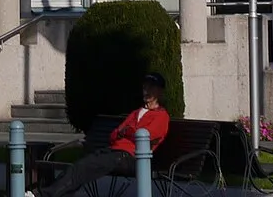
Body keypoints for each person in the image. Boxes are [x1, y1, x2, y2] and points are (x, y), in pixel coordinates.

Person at [37, 72, 172, 197]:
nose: (146, 90)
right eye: (145, 86)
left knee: (86, 166)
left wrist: (126, 131)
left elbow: (143, 135)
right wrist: (125, 131)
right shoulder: (135, 113)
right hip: (114, 152)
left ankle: (42, 195)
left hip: (132, 158)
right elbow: (114, 135)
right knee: (80, 166)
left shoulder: (161, 116)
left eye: (151, 87)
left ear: (159, 92)